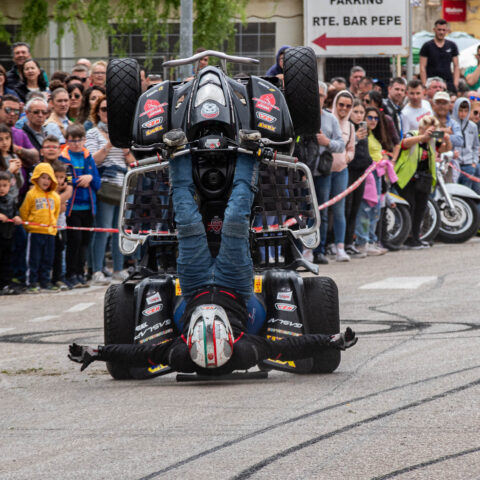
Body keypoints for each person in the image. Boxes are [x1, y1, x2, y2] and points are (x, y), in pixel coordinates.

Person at [68, 138, 357, 374]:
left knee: (187, 222)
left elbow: (145, 352)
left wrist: (98, 351)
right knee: (235, 221)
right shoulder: (246, 351)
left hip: (193, 285)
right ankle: (248, 152)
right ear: (230, 340)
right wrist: (333, 340)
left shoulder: (180, 356)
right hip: (235, 285)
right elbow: (287, 348)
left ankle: (176, 151)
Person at [86, 95, 134, 285]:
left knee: (119, 231)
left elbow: (132, 163)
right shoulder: (92, 133)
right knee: (102, 229)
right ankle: (97, 270)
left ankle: (118, 269)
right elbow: (93, 160)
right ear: (97, 112)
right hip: (105, 186)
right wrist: (109, 144)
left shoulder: (124, 134)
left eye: (111, 110)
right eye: (104, 109)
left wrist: (126, 151)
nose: (107, 113)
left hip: (123, 185)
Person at [395, 115, 451, 249]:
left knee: (421, 208)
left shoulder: (432, 140)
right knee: (411, 206)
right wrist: (422, 137)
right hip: (406, 178)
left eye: (432, 131)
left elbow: (445, 149)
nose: (429, 133)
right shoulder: (412, 134)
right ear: (420, 128)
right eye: (426, 130)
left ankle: (415, 238)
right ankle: (406, 238)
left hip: (423, 179)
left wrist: (447, 140)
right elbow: (404, 143)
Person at [60, 124, 101, 288]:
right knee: (73, 241)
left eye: (79, 140)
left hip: (88, 207)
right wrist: (79, 180)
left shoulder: (88, 157)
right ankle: (71, 274)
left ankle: (80, 273)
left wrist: (90, 177)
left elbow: (97, 182)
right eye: (72, 140)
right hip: (72, 208)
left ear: (84, 140)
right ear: (67, 141)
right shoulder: (63, 158)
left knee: (85, 242)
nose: (76, 144)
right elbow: (63, 180)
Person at [309, 82, 345, 265]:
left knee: (321, 212)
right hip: (303, 171)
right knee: (302, 213)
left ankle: (319, 250)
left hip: (323, 172)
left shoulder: (330, 119)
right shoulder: (302, 116)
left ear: (325, 98)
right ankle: (301, 251)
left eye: (321, 95)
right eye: (315, 95)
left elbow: (341, 144)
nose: (318, 98)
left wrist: (326, 142)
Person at [354, 106, 392, 256]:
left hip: (378, 174)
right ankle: (362, 242)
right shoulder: (363, 135)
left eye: (376, 118)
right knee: (365, 209)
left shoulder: (375, 136)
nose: (373, 121)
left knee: (375, 210)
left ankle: (371, 240)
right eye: (370, 117)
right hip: (367, 175)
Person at [19, 162, 60, 292]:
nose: (46, 181)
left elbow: (56, 213)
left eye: (49, 178)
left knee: (48, 258)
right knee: (33, 259)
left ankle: (45, 281)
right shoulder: (31, 194)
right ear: (36, 178)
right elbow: (24, 212)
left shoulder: (55, 197)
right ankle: (31, 282)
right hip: (35, 232)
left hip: (50, 232)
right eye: (43, 177)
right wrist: (28, 226)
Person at [325, 90, 356, 262]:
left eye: (348, 106)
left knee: (339, 211)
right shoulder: (327, 119)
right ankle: (319, 249)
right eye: (341, 104)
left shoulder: (350, 126)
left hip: (341, 171)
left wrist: (347, 157)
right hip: (323, 172)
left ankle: (340, 247)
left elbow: (351, 148)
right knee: (321, 211)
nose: (344, 108)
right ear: (335, 103)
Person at [344, 100, 371, 259]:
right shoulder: (347, 127)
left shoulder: (363, 128)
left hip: (361, 171)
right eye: (356, 112)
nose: (359, 115)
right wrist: (355, 139)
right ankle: (341, 242)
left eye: (361, 112)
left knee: (355, 208)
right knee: (346, 208)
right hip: (349, 171)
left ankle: (350, 243)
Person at [0, 94, 39, 167]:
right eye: (8, 110)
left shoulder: (19, 133)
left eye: (16, 111)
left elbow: (35, 157)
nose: (12, 114)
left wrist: (16, 149)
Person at [420, 19, 459, 92]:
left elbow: (456, 66)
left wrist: (455, 83)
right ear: (434, 30)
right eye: (439, 30)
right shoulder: (427, 46)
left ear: (447, 31)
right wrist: (425, 84)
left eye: (444, 30)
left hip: (448, 83)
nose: (441, 32)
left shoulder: (452, 45)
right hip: (431, 83)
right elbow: (422, 66)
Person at [0, 171, 23, 295]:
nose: (2, 188)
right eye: (0, 185)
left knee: (7, 261)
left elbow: (15, 212)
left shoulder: (11, 199)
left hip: (8, 235)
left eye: (5, 185)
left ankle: (6, 284)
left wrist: (17, 217)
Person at [51, 159, 72, 290]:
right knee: (51, 253)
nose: (59, 180)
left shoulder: (64, 189)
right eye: (56, 177)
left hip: (61, 225)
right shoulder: (50, 191)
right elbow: (58, 206)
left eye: (62, 177)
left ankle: (60, 277)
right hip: (50, 226)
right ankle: (52, 278)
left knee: (60, 251)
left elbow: (63, 208)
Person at [452, 98, 480, 193]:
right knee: (454, 191)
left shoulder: (473, 126)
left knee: (467, 192)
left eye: (465, 111)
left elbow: (476, 146)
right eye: (460, 110)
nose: (463, 113)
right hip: (455, 164)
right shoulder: (451, 124)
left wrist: (474, 162)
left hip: (469, 165)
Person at [0, 123, 24, 201]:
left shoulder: (13, 156)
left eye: (7, 138)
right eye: (1, 139)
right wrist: (10, 171)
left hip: (13, 203)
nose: (5, 142)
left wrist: (17, 173)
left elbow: (20, 185)